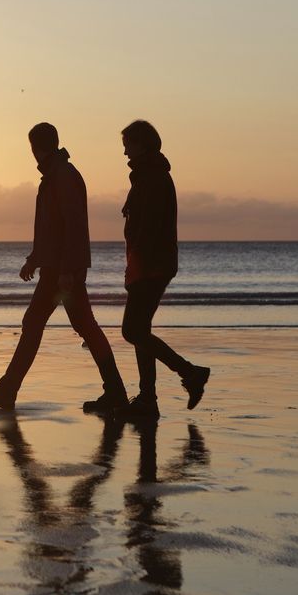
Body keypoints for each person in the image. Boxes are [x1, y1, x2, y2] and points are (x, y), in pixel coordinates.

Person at [0, 122, 127, 412]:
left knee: (43, 324)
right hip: (58, 267)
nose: (31, 154)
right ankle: (114, 390)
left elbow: (72, 226)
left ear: (38, 147)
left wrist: (67, 270)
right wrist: (34, 258)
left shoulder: (63, 176)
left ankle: (8, 390)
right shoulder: (55, 176)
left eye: (32, 148)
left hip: (62, 271)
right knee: (76, 326)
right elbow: (50, 228)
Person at [115, 119, 210, 420]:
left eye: (128, 145)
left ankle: (190, 373)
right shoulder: (147, 175)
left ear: (142, 143)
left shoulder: (153, 177)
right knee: (141, 331)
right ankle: (147, 399)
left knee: (132, 330)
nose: (125, 152)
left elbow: (148, 229)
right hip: (149, 264)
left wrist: (138, 266)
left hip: (152, 265)